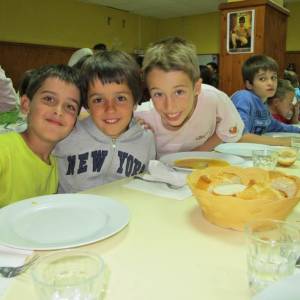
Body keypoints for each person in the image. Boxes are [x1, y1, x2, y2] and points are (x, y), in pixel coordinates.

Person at [54, 50, 156, 193]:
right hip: (71, 212)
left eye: (120, 98)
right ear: (87, 105)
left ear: (135, 101)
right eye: (98, 100)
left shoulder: (146, 140)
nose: (110, 109)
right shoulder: (67, 133)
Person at [135, 37, 244, 158]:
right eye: (158, 94)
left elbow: (228, 131)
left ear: (197, 87)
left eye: (179, 92)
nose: (169, 106)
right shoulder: (141, 116)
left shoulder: (214, 99)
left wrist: (195, 154)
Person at [0, 65, 82, 207]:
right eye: (49, 99)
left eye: (70, 107)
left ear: (75, 121)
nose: (58, 111)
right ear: (26, 105)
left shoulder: (58, 162)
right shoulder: (4, 151)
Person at [231, 55, 300, 146]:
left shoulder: (263, 105)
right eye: (262, 79)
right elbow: (239, 136)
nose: (270, 83)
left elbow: (279, 127)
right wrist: (286, 142)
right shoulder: (243, 97)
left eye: (273, 77)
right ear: (249, 84)